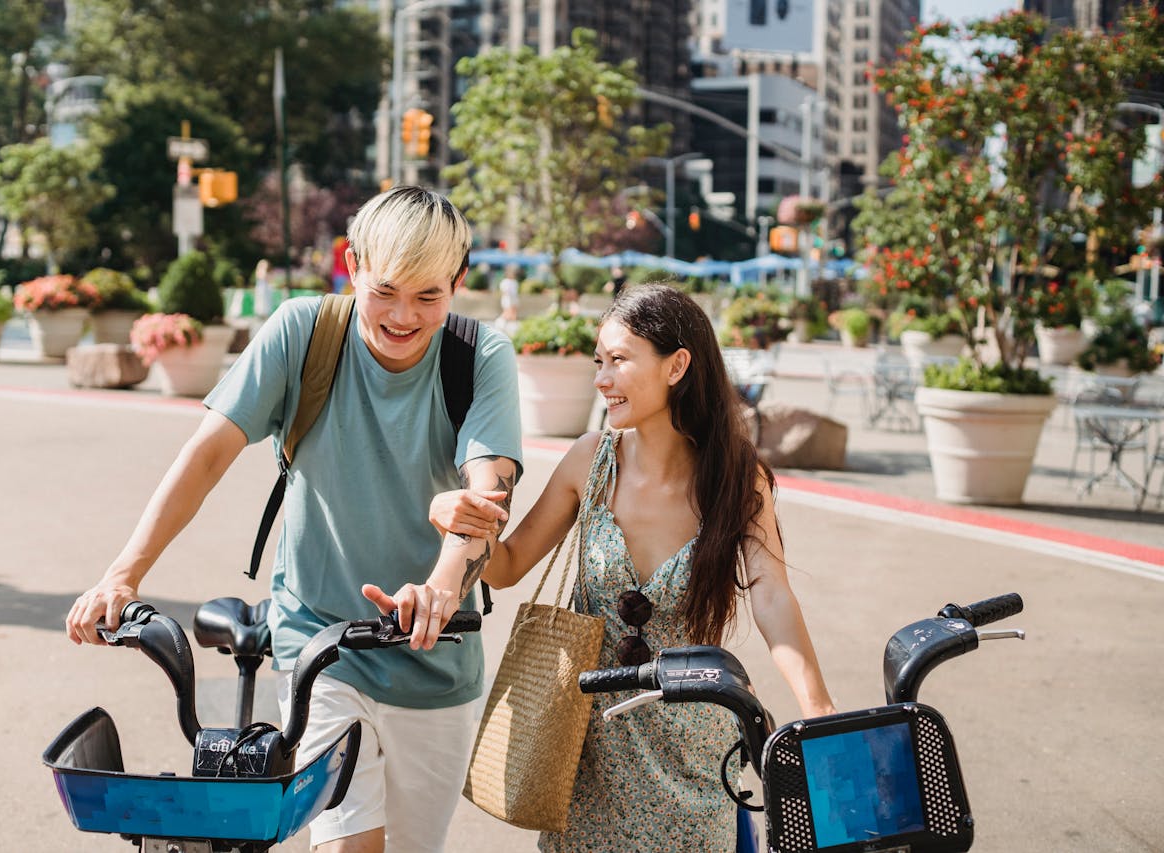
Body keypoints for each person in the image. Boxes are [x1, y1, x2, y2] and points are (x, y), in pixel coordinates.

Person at [66, 186, 524, 853]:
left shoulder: (479, 357)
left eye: (429, 296)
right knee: (345, 846)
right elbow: (206, 454)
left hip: (438, 659)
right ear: (350, 263)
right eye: (386, 289)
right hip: (320, 644)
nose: (402, 316)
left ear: (458, 282)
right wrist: (121, 574)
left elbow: (488, 492)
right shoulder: (304, 332)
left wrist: (440, 587)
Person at [441, 284, 834, 851]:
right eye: (599, 361)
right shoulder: (589, 460)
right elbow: (505, 568)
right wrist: (464, 518)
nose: (602, 379)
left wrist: (817, 710)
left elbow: (772, 596)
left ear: (677, 365)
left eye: (619, 360)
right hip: (582, 750)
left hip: (694, 752)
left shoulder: (736, 478)